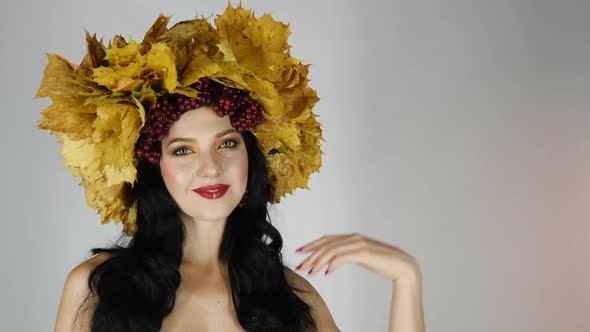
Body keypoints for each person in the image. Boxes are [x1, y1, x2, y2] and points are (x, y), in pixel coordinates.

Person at [36, 4, 425, 331]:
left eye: (226, 143)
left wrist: (405, 277)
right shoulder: (98, 286)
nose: (210, 168)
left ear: (249, 157)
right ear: (154, 166)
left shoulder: (289, 296)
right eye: (183, 151)